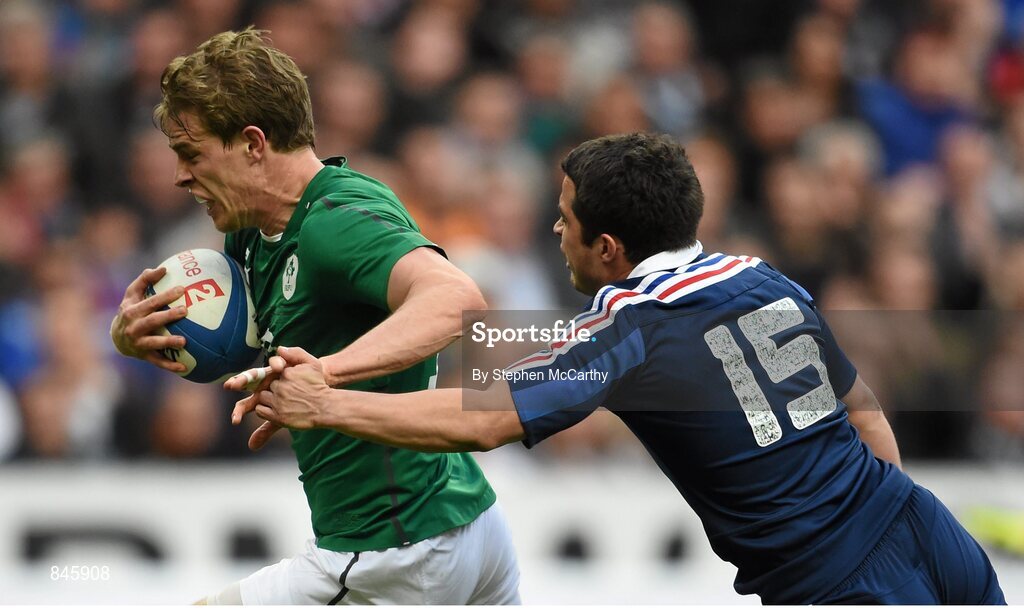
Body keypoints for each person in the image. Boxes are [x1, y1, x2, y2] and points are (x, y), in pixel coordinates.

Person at [245, 132, 1007, 604]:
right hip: (928, 527)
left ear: (607, 247)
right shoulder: (763, 276)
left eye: (566, 216)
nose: (555, 227)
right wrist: (888, 518)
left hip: (841, 587)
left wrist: (327, 404)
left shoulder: (630, 330)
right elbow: (865, 409)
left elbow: (488, 421)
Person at [109, 28, 520, 605]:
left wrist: (325, 376)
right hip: (461, 517)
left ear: (253, 143)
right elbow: (255, 345)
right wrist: (137, 338)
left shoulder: (333, 222)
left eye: (191, 153)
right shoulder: (253, 230)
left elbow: (457, 301)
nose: (180, 175)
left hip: (395, 550)